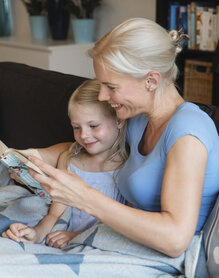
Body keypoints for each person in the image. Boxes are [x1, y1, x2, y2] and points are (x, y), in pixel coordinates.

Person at [23, 18, 218, 257]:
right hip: (121, 243)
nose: (103, 96)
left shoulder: (188, 131)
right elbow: (87, 145)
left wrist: (85, 197)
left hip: (163, 260)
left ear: (151, 81)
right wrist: (34, 156)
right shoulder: (138, 120)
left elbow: (175, 240)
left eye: (111, 87)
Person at [2, 79, 128, 248]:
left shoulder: (128, 168)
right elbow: (54, 215)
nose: (84, 135)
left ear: (119, 121)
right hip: (60, 238)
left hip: (97, 242)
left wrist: (75, 236)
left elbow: (125, 225)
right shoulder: (69, 161)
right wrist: (36, 234)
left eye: (93, 126)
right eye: (77, 127)